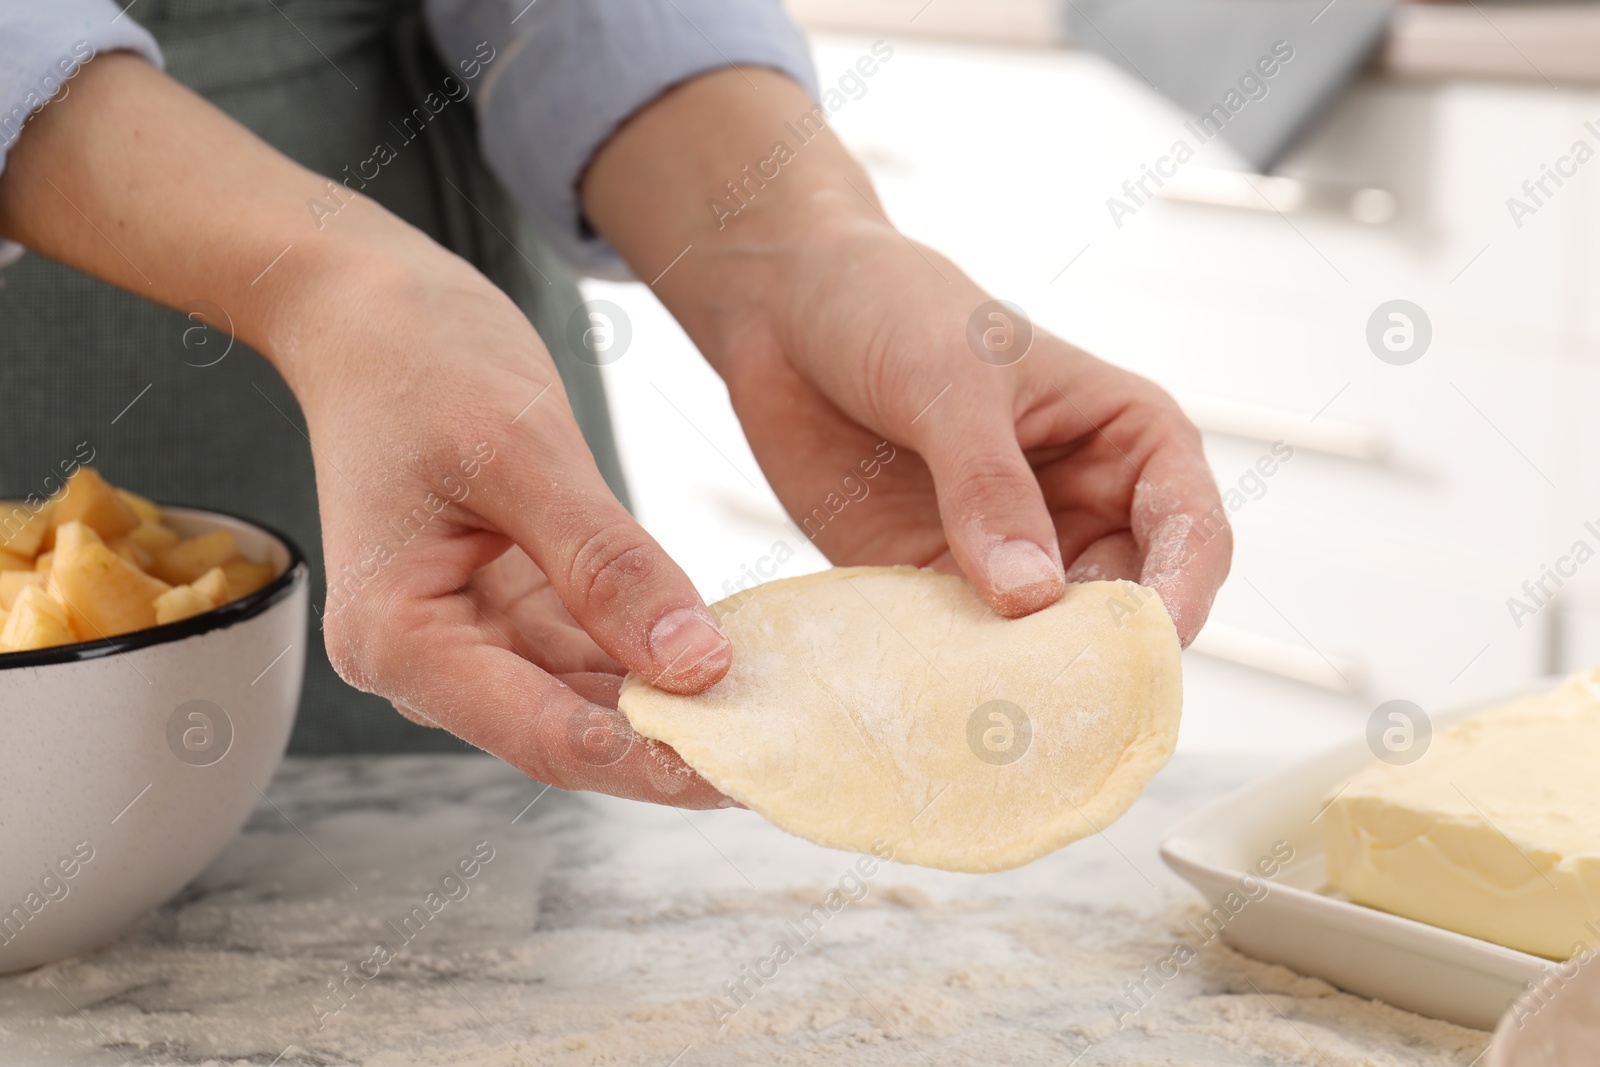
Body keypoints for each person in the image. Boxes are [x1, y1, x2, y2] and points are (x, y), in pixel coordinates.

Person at [0, 0, 1230, 808]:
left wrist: (788, 244)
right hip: (103, 285)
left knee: (465, 904)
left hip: (439, 360)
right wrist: (324, 280)